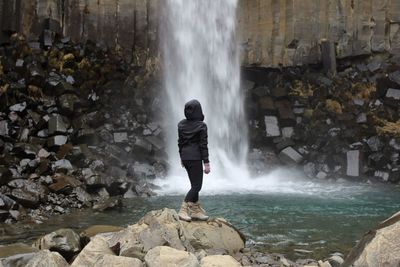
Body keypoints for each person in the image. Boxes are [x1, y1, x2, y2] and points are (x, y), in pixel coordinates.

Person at [177, 99, 211, 221]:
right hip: (195, 158)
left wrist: (181, 157)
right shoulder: (202, 126)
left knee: (194, 184)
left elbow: (180, 142)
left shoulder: (181, 124)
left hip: (186, 158)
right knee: (197, 186)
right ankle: (183, 210)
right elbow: (203, 145)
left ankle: (196, 211)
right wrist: (206, 162)